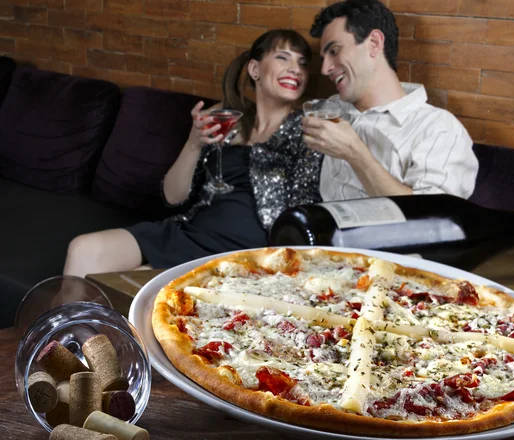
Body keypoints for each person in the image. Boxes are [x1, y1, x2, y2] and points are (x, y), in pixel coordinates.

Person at [64, 29, 323, 277]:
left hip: (240, 249)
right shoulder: (228, 119)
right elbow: (173, 197)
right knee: (83, 250)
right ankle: (61, 325)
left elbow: (306, 210)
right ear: (254, 69)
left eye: (302, 64)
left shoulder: (309, 129)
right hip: (190, 230)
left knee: (130, 288)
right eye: (282, 57)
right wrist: (193, 143)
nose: (296, 70)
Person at [301, 0, 478, 202]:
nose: (325, 69)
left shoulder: (438, 128)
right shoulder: (332, 109)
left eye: (334, 51)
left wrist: (355, 153)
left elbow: (428, 221)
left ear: (374, 43)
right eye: (324, 58)